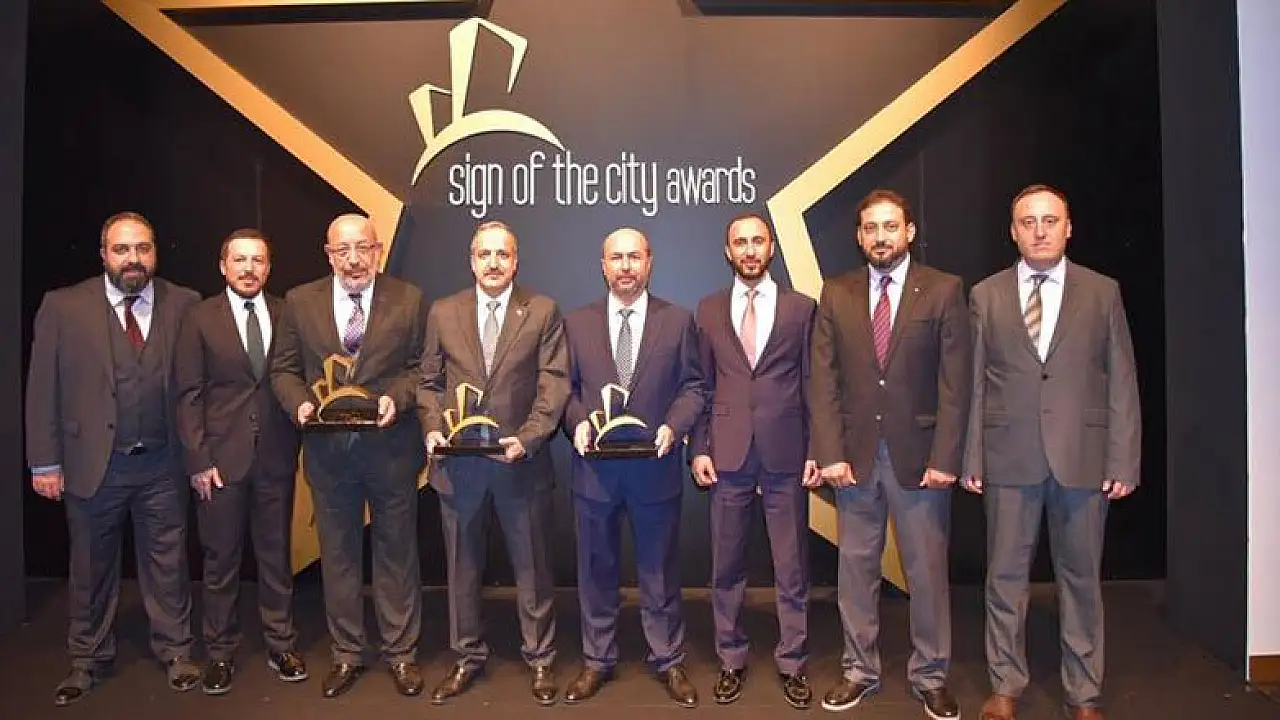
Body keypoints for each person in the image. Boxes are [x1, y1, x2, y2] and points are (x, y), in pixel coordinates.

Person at [963, 184, 1140, 720]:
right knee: (1004, 579)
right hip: (1008, 457)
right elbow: (975, 383)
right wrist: (972, 457)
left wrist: (1123, 459)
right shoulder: (986, 295)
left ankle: (1083, 693)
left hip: (1083, 459)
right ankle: (1005, 685)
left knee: (1081, 581)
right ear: (1013, 231)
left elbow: (1122, 379)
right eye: (1028, 222)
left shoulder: (1102, 292)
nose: (1039, 231)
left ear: (1068, 227)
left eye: (1049, 220)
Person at [25, 211, 202, 706]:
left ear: (155, 252)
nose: (133, 259)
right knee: (90, 567)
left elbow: (196, 387)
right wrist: (44, 462)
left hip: (163, 464)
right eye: (122, 249)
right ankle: (87, 658)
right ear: (103, 254)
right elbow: (41, 387)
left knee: (168, 564)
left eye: (142, 248)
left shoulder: (185, 303)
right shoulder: (63, 306)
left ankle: (176, 651)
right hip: (92, 464)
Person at [809, 190, 971, 720]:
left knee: (927, 574)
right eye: (871, 229)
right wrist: (830, 452)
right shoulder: (836, 293)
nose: (881, 237)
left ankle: (931, 676)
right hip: (854, 459)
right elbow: (823, 381)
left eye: (890, 227)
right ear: (859, 236)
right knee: (856, 572)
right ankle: (859, 671)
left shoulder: (944, 290)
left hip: (921, 460)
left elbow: (955, 384)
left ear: (909, 232)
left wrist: (946, 456)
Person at [269, 213, 427, 699]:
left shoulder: (409, 299)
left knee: (396, 554)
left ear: (378, 251)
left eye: (363, 248)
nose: (354, 259)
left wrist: (396, 398)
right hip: (328, 453)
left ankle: (401, 653)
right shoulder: (300, 302)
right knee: (338, 557)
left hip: (391, 450)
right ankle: (346, 653)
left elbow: (422, 369)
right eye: (343, 250)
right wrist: (298, 403)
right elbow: (283, 369)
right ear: (328, 254)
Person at [419, 220, 570, 706]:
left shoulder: (542, 310)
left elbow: (554, 383)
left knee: (533, 569)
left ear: (515, 261)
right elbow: (428, 382)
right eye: (484, 254)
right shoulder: (443, 312)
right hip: (459, 467)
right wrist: (432, 427)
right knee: (461, 569)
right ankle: (466, 656)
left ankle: (541, 658)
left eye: (502, 254)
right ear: (471, 261)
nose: (493, 263)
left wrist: (528, 438)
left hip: (519, 463)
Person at [560, 228, 706, 708]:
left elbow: (693, 387)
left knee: (659, 571)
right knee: (595, 569)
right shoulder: (576, 323)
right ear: (603, 266)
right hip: (595, 472)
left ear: (649, 262)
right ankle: (597, 659)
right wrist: (578, 423)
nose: (625, 266)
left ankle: (668, 658)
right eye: (616, 258)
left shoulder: (678, 321)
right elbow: (565, 389)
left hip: (654, 469)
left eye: (634, 257)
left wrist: (675, 427)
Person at [690, 212, 820, 708]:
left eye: (757, 241)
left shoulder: (801, 309)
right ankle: (731, 657)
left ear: (771, 248)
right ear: (728, 251)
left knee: (792, 567)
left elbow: (812, 383)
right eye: (740, 242)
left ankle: (793, 661)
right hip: (727, 453)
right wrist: (699, 448)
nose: (749, 250)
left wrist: (817, 449)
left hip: (786, 450)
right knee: (726, 566)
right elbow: (700, 385)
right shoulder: (707, 309)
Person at [173, 228, 306, 695]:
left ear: (268, 268)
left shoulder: (288, 313)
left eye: (258, 261)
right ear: (223, 266)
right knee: (220, 561)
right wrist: (198, 459)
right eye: (240, 260)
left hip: (276, 456)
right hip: (219, 463)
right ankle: (220, 653)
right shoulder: (198, 317)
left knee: (276, 558)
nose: (249, 269)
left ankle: (281, 645)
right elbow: (188, 394)